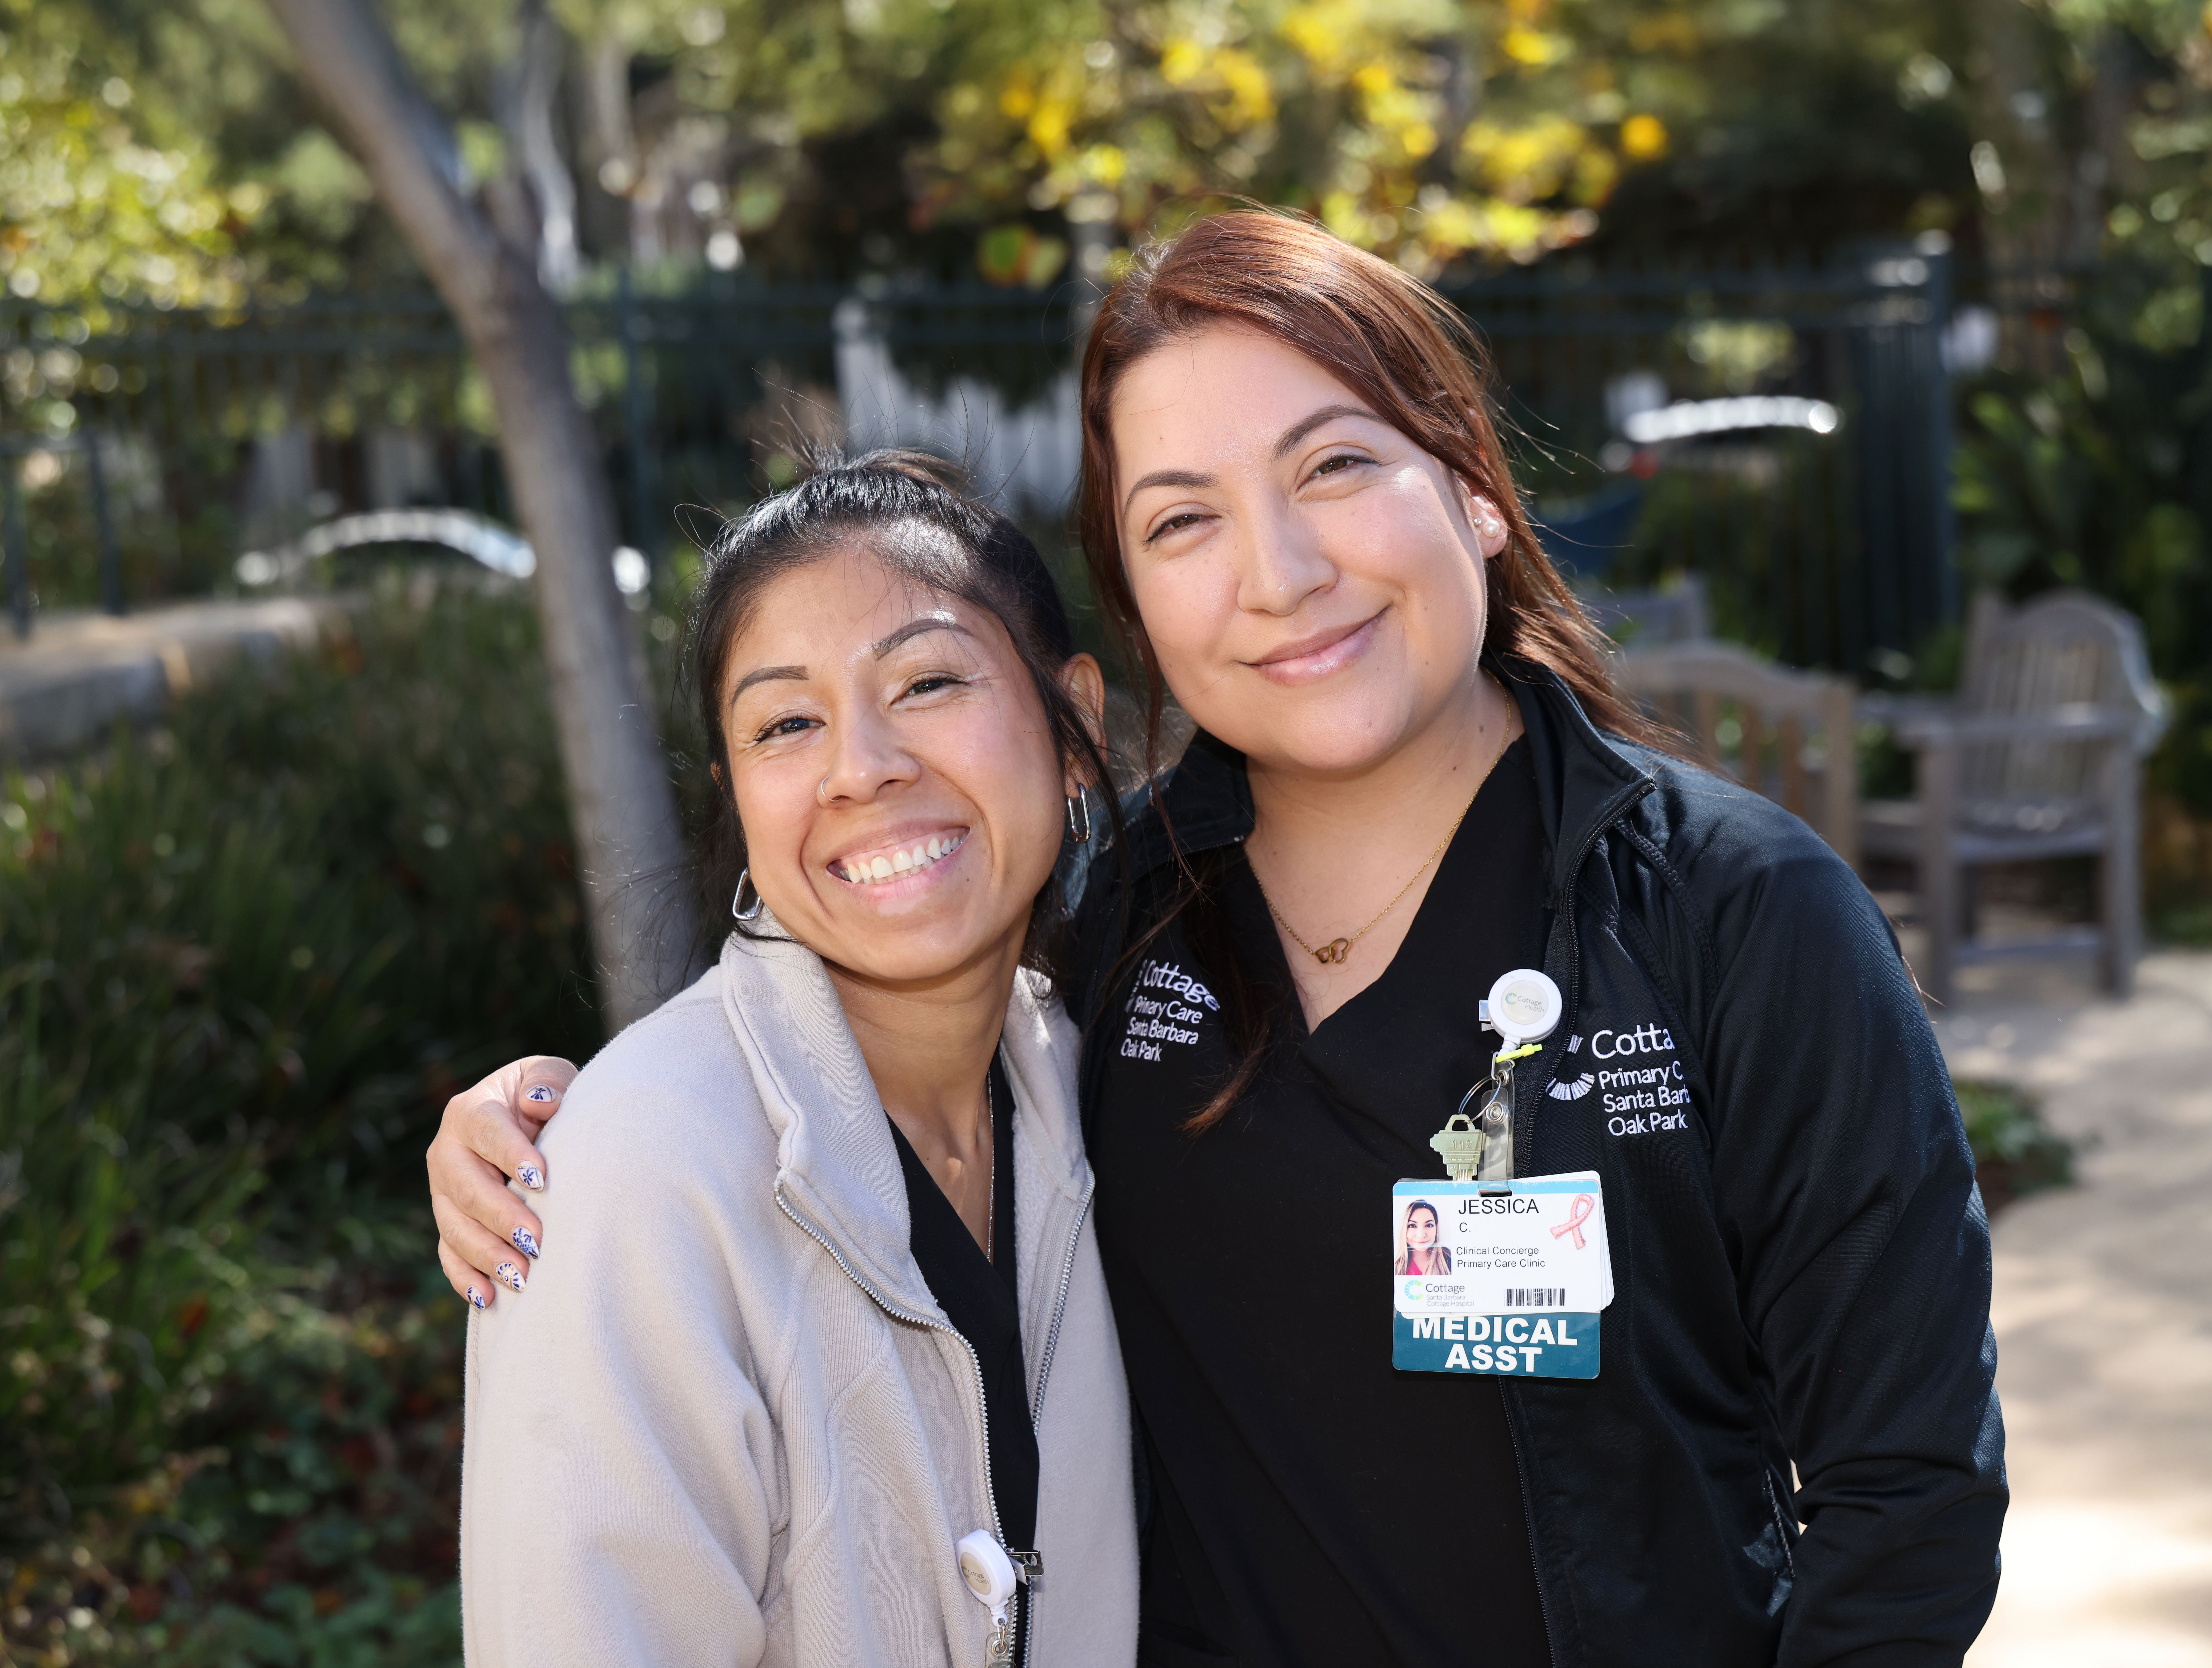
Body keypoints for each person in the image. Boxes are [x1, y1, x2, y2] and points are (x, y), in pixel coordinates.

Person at [431, 211, 2004, 1666]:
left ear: (1468, 482)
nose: (1282, 572)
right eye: (1185, 520)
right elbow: (840, 1066)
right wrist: (562, 1123)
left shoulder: (1734, 913)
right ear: (1138, 614)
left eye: (1333, 467)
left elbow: (1907, 1495)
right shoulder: (1112, 932)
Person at [456, 453, 1139, 1668]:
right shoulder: (636, 1174)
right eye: (786, 721)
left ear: (1072, 723)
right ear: (736, 793)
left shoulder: (1097, 1086)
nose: (858, 764)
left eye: (926, 680)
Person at [1394, 1201, 1451, 1277]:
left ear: (1436, 1228)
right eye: (1413, 1226)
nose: (1421, 1235)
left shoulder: (1449, 1259)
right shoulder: (1396, 1267)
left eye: (1429, 1225)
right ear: (1404, 1229)